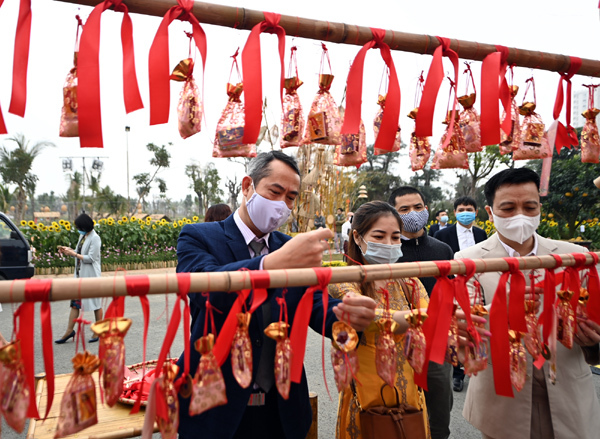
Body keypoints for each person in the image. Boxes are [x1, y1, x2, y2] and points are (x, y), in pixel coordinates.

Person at [176, 151, 377, 439]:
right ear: (248, 186)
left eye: (291, 197)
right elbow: (204, 290)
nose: (283, 204)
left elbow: (315, 306)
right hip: (215, 405)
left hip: (281, 409)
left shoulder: (290, 246)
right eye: (275, 191)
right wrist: (271, 264)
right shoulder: (199, 236)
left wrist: (344, 314)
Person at [455, 168, 600, 439]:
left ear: (540, 209)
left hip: (568, 391)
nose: (520, 215)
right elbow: (467, 327)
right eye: (508, 208)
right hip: (502, 397)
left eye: (529, 206)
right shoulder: (467, 260)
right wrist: (504, 310)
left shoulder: (576, 257)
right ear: (490, 212)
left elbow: (593, 317)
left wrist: (593, 342)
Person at [328, 200, 430, 439]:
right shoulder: (344, 279)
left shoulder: (409, 281)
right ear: (357, 236)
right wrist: (420, 318)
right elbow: (369, 316)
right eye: (379, 236)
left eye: (395, 237)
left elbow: (433, 314)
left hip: (410, 391)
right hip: (365, 394)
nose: (389, 244)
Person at [388, 186, 454, 439]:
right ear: (394, 214)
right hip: (396, 340)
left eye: (418, 207)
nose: (413, 213)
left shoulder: (442, 250)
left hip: (436, 342)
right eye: (404, 209)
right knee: (399, 407)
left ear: (427, 209)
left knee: (439, 407)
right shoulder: (387, 252)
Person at [433, 196, 488, 392]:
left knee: (475, 324)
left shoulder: (482, 234)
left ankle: (474, 366)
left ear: (476, 212)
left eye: (469, 209)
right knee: (456, 327)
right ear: (455, 212)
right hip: (452, 285)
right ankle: (457, 374)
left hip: (476, 287)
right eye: (462, 209)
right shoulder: (443, 235)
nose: (466, 212)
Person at [56, 213, 103, 344]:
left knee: (96, 304)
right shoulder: (82, 236)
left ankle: (98, 331)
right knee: (75, 304)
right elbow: (79, 252)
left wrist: (74, 254)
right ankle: (69, 331)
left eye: (79, 227)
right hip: (79, 275)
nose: (78, 229)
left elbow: (91, 258)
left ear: (85, 226)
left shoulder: (95, 238)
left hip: (91, 276)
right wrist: (68, 250)